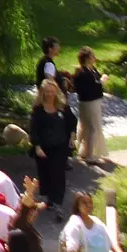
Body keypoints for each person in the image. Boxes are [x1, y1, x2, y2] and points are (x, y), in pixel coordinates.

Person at [29, 78, 75, 209]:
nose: (50, 94)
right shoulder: (38, 109)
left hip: (60, 145)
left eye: (52, 91)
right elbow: (34, 129)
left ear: (56, 92)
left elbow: (72, 121)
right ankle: (49, 198)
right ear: (43, 93)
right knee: (46, 174)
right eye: (47, 92)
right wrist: (37, 146)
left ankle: (58, 201)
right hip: (44, 147)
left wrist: (72, 135)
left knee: (58, 173)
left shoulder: (63, 106)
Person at [72, 47, 108, 164]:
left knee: (89, 127)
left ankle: (84, 151)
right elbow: (90, 88)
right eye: (92, 56)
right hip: (89, 102)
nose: (94, 58)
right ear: (87, 58)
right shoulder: (82, 73)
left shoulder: (91, 70)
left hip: (93, 101)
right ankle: (90, 155)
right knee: (92, 128)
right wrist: (101, 82)